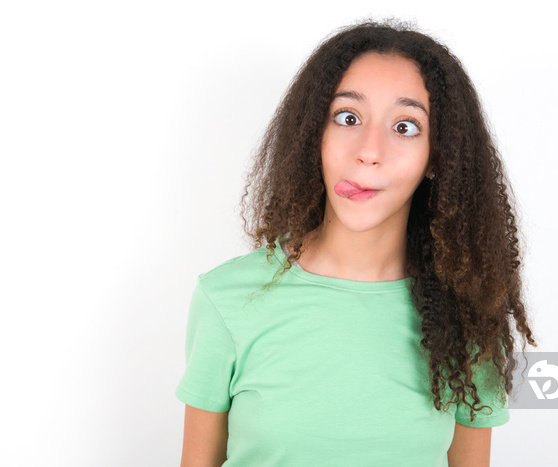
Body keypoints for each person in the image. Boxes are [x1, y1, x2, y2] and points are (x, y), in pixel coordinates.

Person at [176, 19, 537, 467]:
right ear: (315, 134)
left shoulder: (466, 315)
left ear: (437, 157)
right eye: (348, 118)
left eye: (405, 127)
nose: (369, 150)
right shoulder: (226, 299)